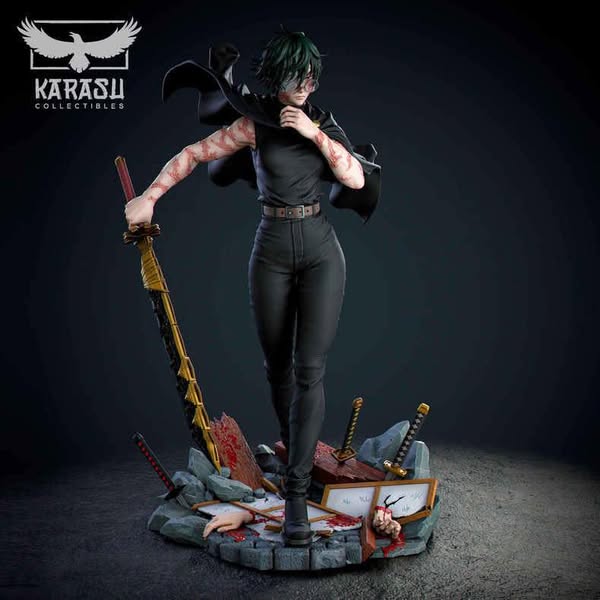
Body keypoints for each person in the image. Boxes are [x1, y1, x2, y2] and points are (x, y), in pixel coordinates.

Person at [125, 28, 380, 547]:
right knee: (277, 368)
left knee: (310, 370)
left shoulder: (323, 122)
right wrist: (149, 197)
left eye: (311, 75)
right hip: (271, 249)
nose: (305, 84)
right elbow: (194, 154)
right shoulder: (255, 123)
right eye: (295, 75)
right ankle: (295, 453)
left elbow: (355, 178)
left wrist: (313, 133)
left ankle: (295, 499)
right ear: (276, 77)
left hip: (320, 250)